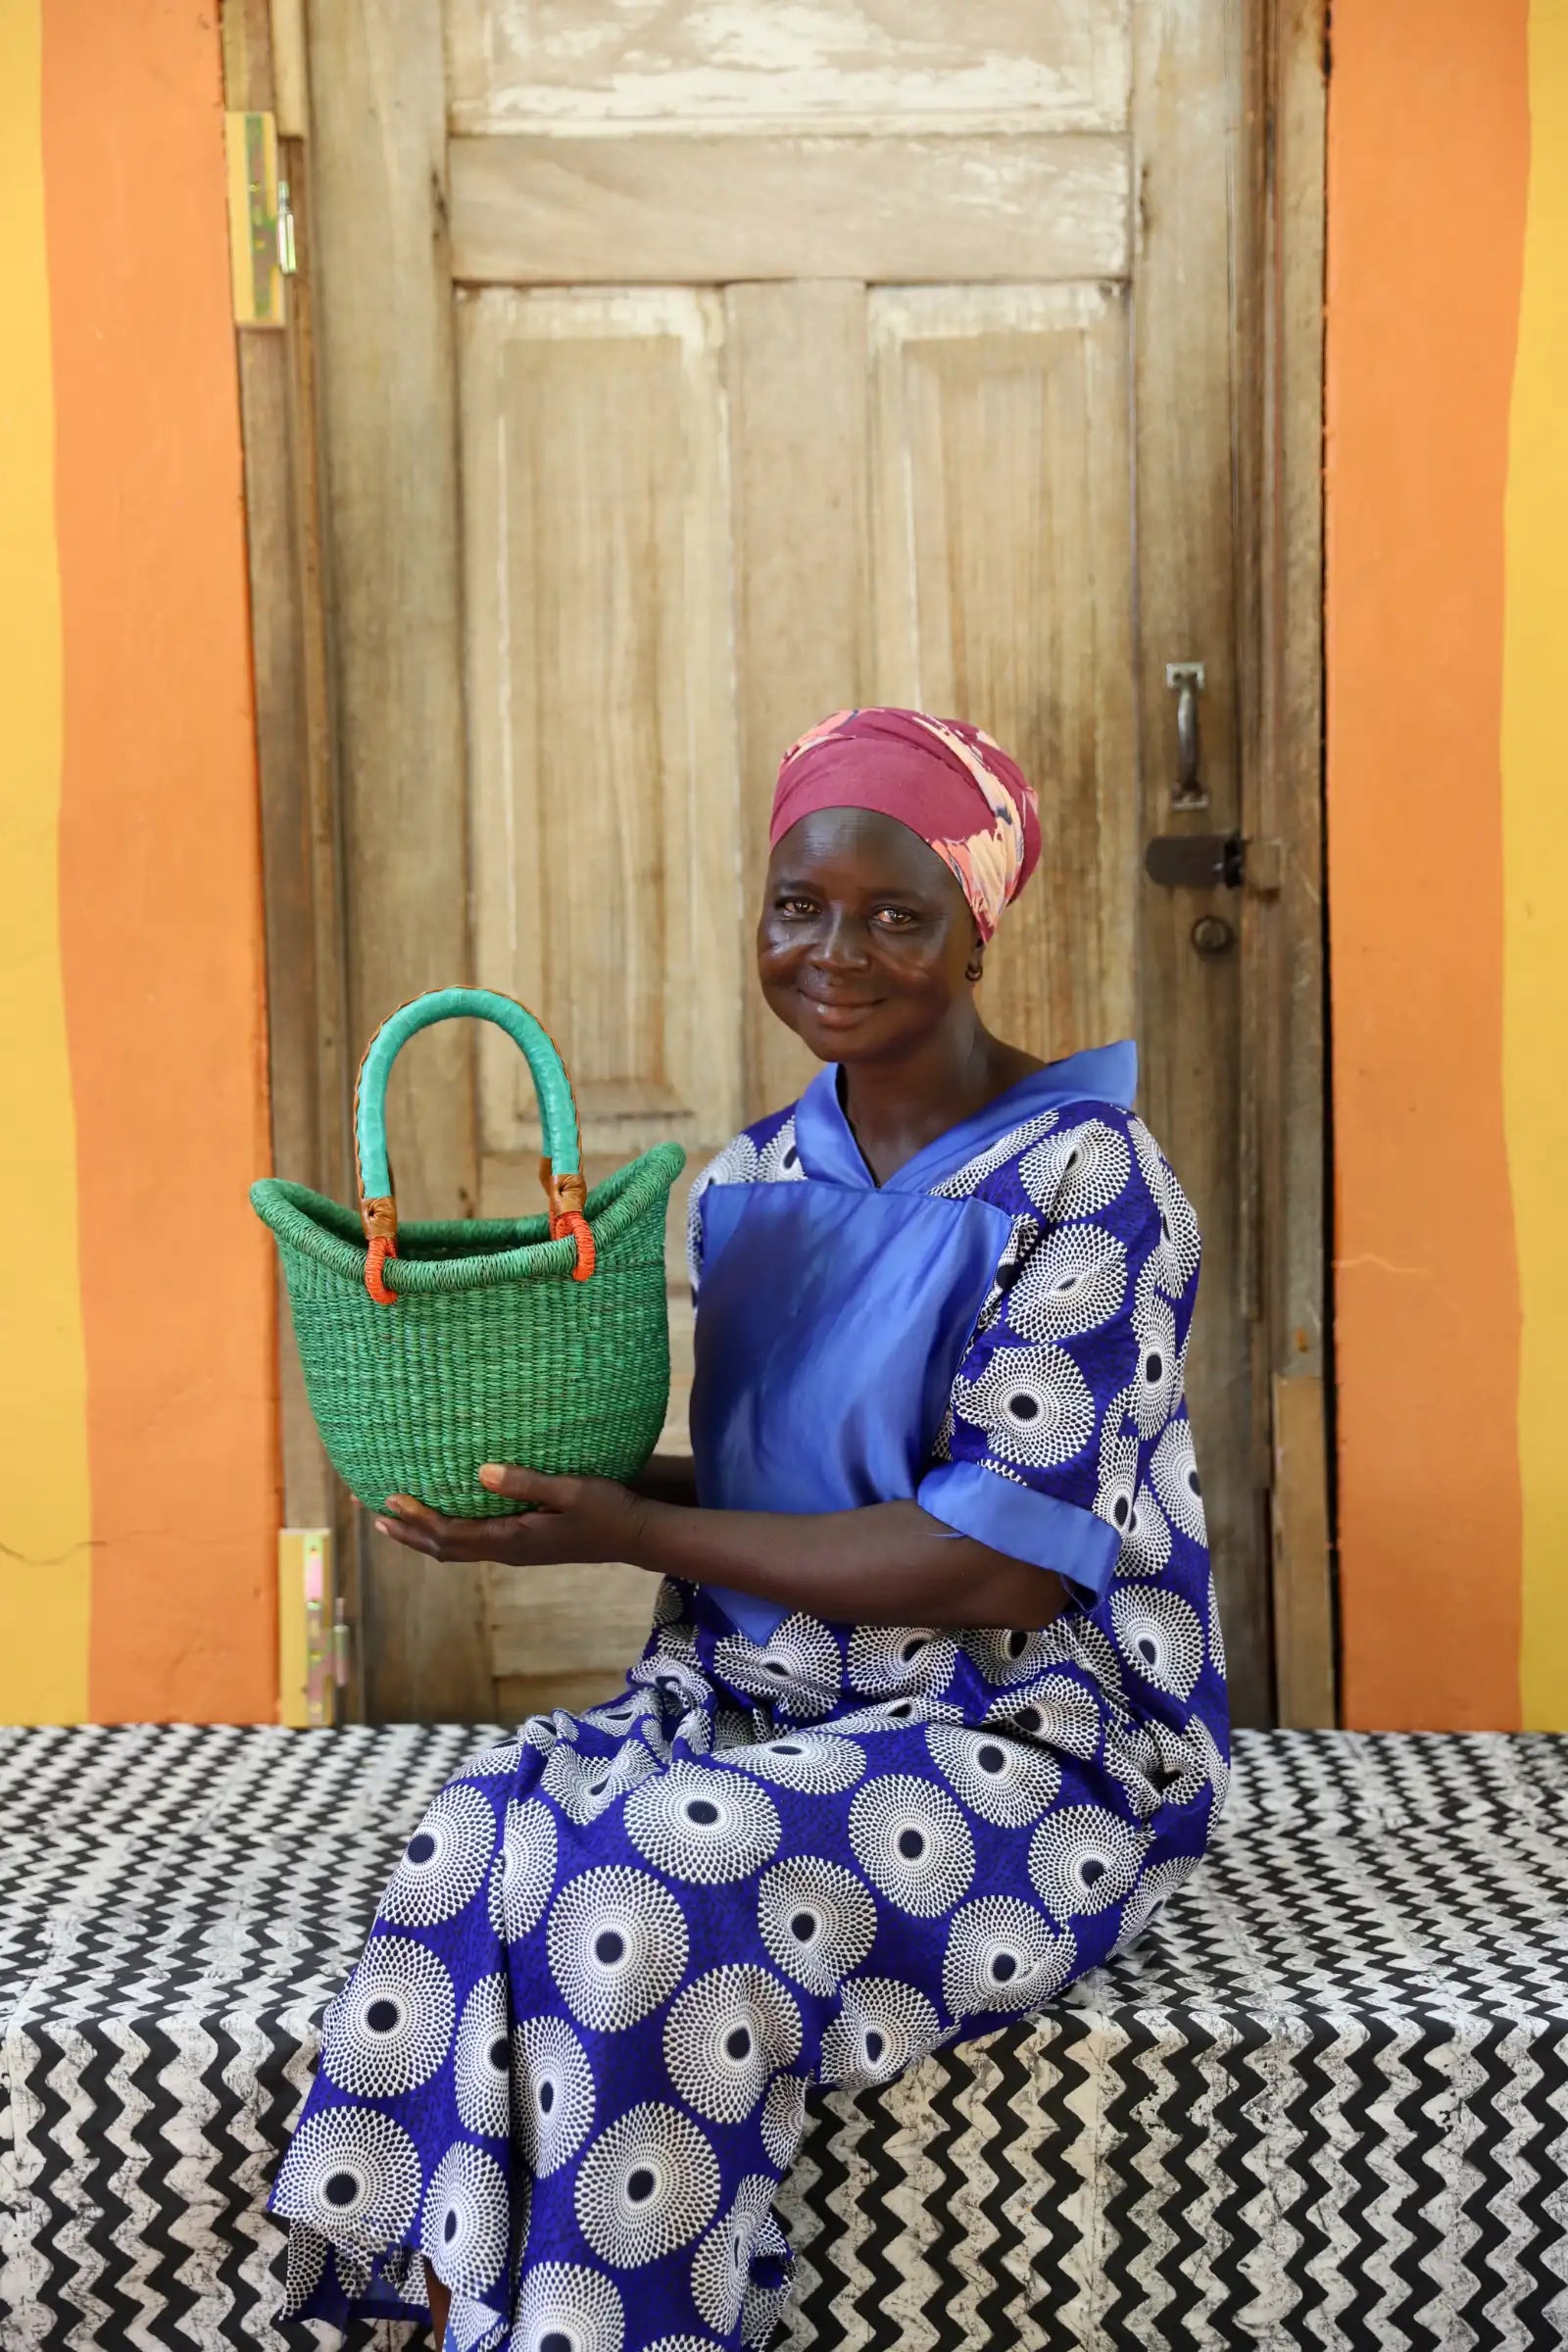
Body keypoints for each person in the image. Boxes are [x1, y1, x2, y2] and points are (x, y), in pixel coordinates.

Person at [269, 706, 1227, 2352]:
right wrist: (568, 1505)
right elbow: (790, 1477)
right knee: (481, 1828)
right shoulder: (753, 1177)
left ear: (977, 925)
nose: (834, 952)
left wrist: (633, 1535)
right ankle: (453, 2314)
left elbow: (991, 1551)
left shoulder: (1096, 1180)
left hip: (1023, 1730)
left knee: (645, 1881)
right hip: (771, 1695)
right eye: (799, 906)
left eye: (895, 914)